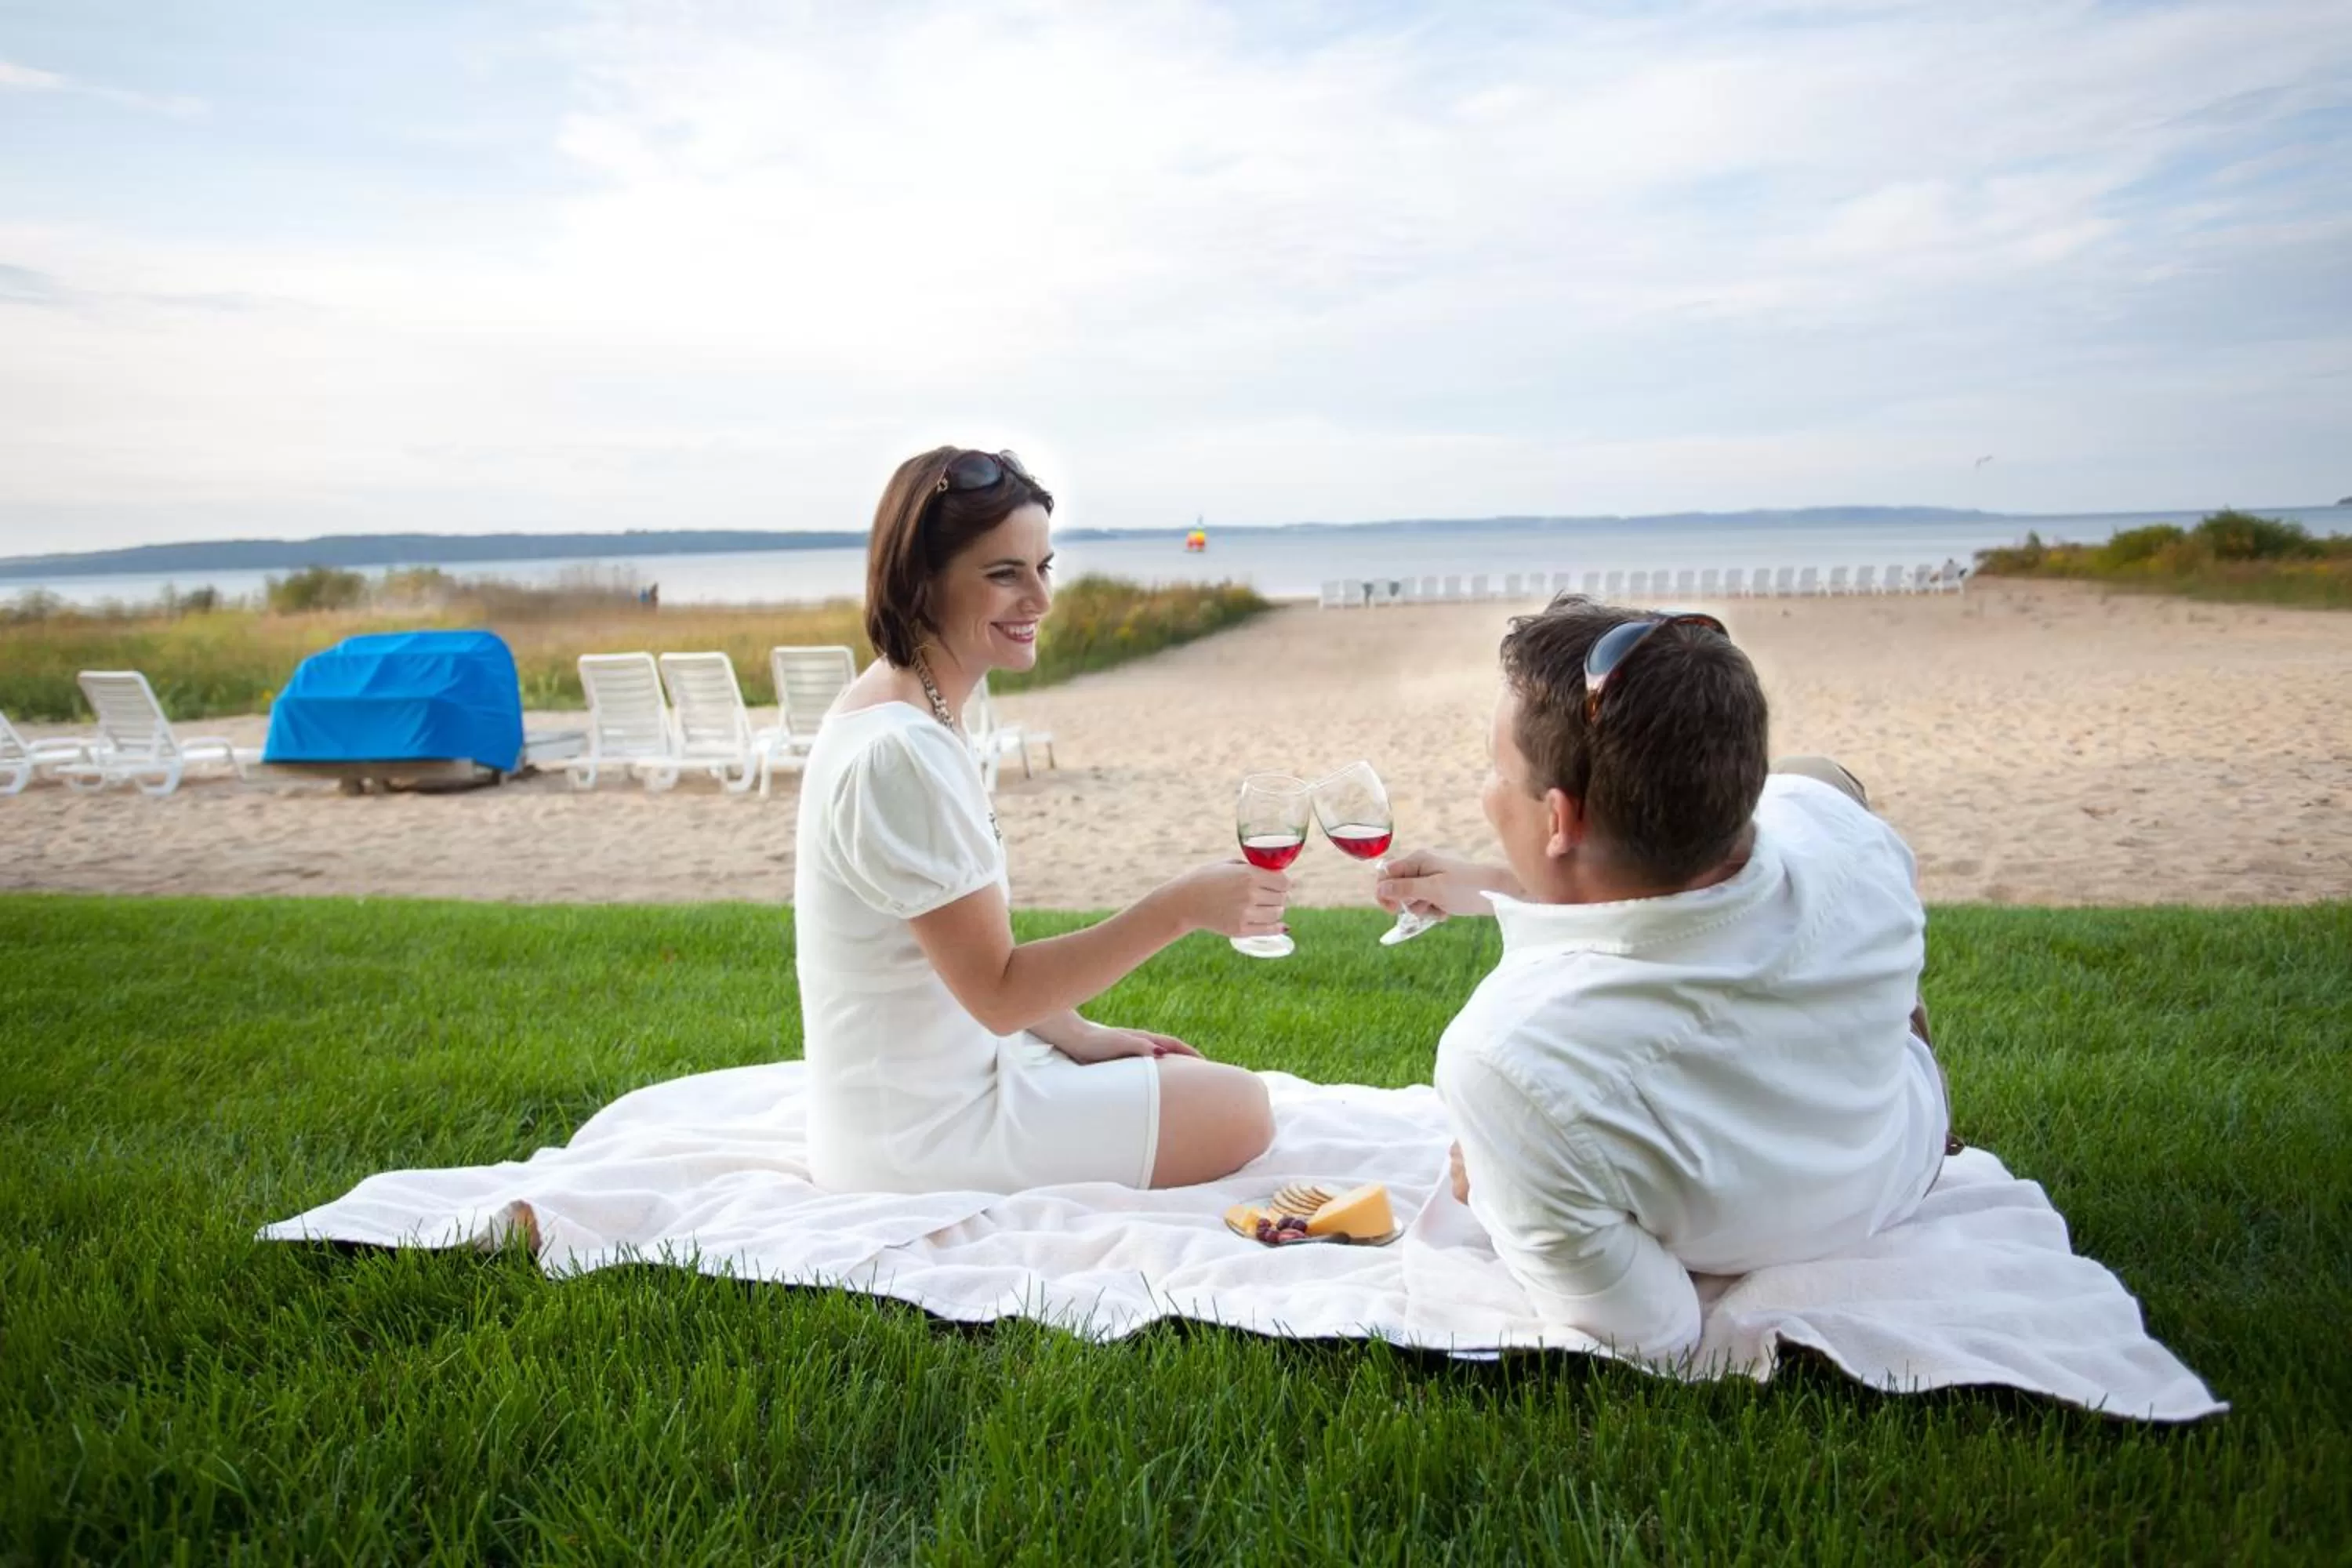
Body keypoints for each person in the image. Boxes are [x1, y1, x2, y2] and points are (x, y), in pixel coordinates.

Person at [1375, 596, 1953, 1359]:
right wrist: (1494, 882)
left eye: (1496, 770)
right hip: (1898, 1145)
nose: (1488, 792)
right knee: (1822, 777)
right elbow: (1691, 891)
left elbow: (1648, 1328)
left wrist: (1490, 1180)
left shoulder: (1509, 1057)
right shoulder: (1846, 835)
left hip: (1759, 1223)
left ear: (1559, 819)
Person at [793, 446, 1283, 1194]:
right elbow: (999, 994)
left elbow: (961, 959)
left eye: (1043, 567)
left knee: (1205, 1084)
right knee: (1242, 1110)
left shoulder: (895, 703)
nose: (1040, 600)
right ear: (921, 580)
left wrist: (1080, 1036)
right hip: (922, 1141)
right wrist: (1182, 907)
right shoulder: (903, 754)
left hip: (913, 1099)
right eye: (1003, 574)